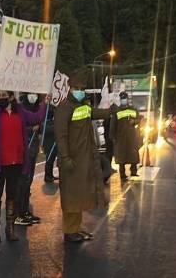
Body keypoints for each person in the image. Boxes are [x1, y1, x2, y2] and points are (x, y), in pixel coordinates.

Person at [0, 88, 46, 243]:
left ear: (11, 97)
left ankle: (10, 228)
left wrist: (44, 103)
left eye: (4, 95)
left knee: (12, 194)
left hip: (16, 160)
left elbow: (37, 117)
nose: (1, 97)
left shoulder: (20, 111)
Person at [55, 87, 113, 243]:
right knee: (71, 197)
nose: (80, 91)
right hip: (71, 161)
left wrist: (112, 109)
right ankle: (69, 232)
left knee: (79, 196)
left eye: (81, 89)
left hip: (82, 160)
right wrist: (65, 158)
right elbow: (61, 136)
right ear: (70, 89)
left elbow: (98, 113)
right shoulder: (64, 108)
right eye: (77, 89)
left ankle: (75, 228)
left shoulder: (83, 107)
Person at [15, 93, 44, 226]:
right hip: (23, 149)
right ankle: (18, 212)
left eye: (35, 94)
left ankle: (25, 211)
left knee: (28, 181)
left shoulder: (38, 108)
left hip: (32, 150)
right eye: (31, 93)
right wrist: (31, 129)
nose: (33, 96)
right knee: (22, 181)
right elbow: (18, 126)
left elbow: (42, 123)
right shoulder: (20, 108)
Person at [111, 92, 142, 181]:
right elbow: (113, 124)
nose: (123, 100)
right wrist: (112, 136)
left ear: (127, 99)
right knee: (121, 156)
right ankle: (122, 173)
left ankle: (133, 171)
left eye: (125, 98)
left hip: (132, 136)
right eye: (122, 98)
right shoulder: (117, 111)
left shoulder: (133, 109)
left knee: (133, 154)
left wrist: (134, 121)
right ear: (120, 100)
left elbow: (139, 119)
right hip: (120, 137)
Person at [43, 104, 59, 183]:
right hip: (49, 143)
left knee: (51, 160)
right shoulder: (45, 121)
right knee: (49, 160)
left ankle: (50, 175)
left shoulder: (53, 121)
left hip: (54, 142)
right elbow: (46, 130)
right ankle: (47, 176)